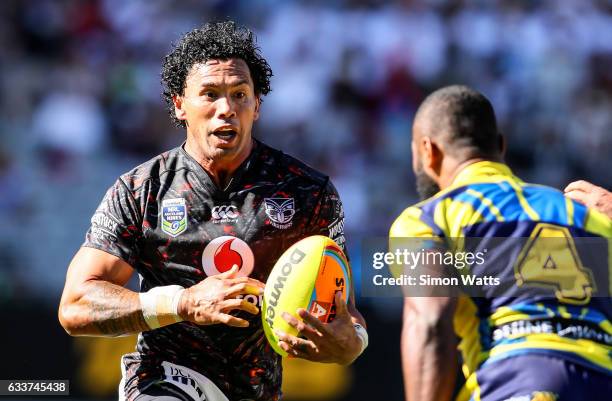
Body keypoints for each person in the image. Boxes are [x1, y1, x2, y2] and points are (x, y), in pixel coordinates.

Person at [58, 21, 366, 401]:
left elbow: (347, 318)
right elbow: (75, 304)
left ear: (257, 105)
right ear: (179, 104)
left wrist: (350, 343)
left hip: (257, 389)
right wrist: (183, 303)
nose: (226, 109)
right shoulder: (141, 191)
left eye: (240, 94)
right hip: (163, 379)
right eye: (210, 94)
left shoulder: (306, 193)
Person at [390, 85, 611, 401]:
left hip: (514, 384)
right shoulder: (589, 216)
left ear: (428, 151)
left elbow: (430, 320)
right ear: (501, 146)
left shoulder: (426, 219)